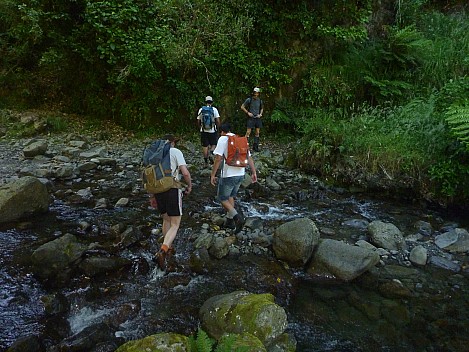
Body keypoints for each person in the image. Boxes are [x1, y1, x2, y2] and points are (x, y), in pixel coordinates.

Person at [149, 134, 192, 271]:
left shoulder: (154, 154)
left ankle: (168, 246)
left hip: (158, 190)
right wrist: (189, 185)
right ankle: (162, 251)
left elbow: (149, 176)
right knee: (175, 224)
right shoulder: (175, 151)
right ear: (173, 142)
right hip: (172, 188)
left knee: (166, 220)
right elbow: (185, 173)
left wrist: (152, 196)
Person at [210, 123, 257, 233]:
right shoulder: (240, 140)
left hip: (228, 175)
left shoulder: (223, 139)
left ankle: (237, 218)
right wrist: (254, 172)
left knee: (222, 198)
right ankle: (229, 221)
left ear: (222, 132)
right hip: (241, 174)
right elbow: (248, 157)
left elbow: (218, 158)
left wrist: (213, 174)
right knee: (231, 196)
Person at [197, 96, 221, 166]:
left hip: (203, 130)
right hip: (213, 130)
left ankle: (206, 162)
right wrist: (218, 129)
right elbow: (218, 121)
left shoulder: (201, 109)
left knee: (205, 146)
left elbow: (198, 120)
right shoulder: (214, 109)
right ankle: (211, 152)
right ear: (212, 102)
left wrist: (200, 128)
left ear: (205, 102)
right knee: (214, 144)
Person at [240, 87, 264, 152]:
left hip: (257, 117)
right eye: (255, 93)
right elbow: (242, 107)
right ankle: (244, 146)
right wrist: (248, 113)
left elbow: (261, 108)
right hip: (251, 117)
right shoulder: (249, 100)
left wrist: (260, 114)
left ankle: (255, 146)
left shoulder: (260, 100)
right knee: (248, 132)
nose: (256, 95)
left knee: (257, 132)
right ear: (253, 93)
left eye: (257, 93)